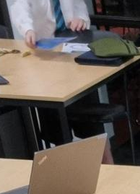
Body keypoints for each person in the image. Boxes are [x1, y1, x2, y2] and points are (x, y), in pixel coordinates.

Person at [6, 0, 114, 163]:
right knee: (57, 129)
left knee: (92, 127)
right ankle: (67, 169)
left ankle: (108, 166)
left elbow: (78, 5)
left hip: (74, 51)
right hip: (46, 57)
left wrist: (80, 19)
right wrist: (28, 29)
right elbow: (20, 8)